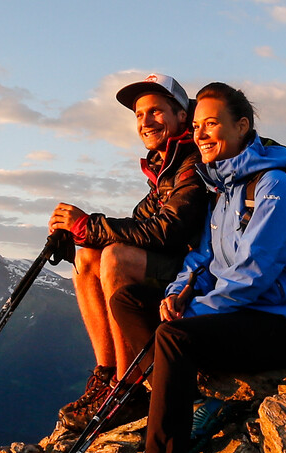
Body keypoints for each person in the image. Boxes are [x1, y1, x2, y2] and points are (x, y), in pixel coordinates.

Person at [95, 82, 286, 453]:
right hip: (240, 318)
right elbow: (200, 257)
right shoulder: (225, 190)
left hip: (282, 326)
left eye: (211, 124)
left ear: (242, 126)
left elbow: (253, 275)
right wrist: (179, 290)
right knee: (127, 301)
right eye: (197, 126)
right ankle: (189, 399)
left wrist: (191, 313)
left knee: (175, 337)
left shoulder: (273, 188)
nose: (200, 134)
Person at [49, 72, 207, 427]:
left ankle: (127, 389)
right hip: (180, 263)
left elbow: (168, 231)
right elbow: (140, 221)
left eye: (155, 111)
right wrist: (80, 236)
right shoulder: (167, 162)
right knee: (91, 255)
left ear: (182, 115)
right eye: (138, 115)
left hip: (199, 272)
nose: (145, 121)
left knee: (116, 257)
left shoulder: (193, 160)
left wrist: (88, 226)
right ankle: (106, 376)